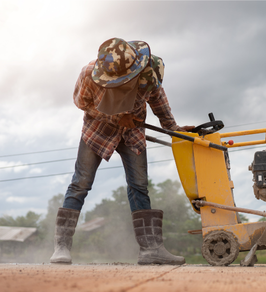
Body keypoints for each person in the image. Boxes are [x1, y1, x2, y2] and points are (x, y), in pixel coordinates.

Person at [50, 37, 193, 265]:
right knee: (81, 184)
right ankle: (61, 247)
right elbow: (81, 103)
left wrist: (173, 129)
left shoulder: (148, 73)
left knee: (139, 187)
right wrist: (116, 116)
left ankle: (151, 250)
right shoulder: (88, 75)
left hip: (131, 133)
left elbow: (158, 100)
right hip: (97, 131)